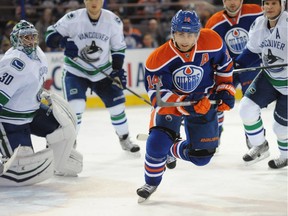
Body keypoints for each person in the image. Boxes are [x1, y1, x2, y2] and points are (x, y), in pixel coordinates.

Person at [136, 10, 235, 202]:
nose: (185, 39)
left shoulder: (212, 41)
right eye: (181, 33)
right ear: (173, 33)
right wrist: (183, 105)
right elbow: (159, 99)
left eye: (190, 34)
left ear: (198, 33)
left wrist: (225, 89)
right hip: (173, 104)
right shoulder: (157, 59)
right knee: (156, 143)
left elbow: (225, 66)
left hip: (204, 102)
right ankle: (151, 182)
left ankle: (171, 149)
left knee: (202, 157)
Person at [45, 0, 140, 153]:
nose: (94, 2)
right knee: (76, 106)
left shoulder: (113, 21)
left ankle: (124, 138)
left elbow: (118, 49)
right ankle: (70, 142)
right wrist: (62, 42)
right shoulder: (73, 18)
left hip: (102, 71)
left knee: (117, 107)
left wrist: (116, 70)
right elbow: (49, 35)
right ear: (85, 1)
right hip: (75, 70)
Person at [0, 20, 83, 186]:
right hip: (12, 121)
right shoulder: (13, 64)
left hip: (33, 111)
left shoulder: (38, 53)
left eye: (33, 36)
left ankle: (59, 161)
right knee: (22, 167)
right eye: (25, 38)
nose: (30, 41)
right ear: (16, 40)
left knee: (63, 130)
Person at [236, 0, 287, 169]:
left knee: (280, 128)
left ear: (283, 5)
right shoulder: (258, 23)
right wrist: (234, 66)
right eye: (267, 3)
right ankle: (260, 145)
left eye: (274, 3)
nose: (269, 7)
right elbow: (250, 51)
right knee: (246, 108)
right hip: (269, 77)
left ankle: (286, 156)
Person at [205, 0, 263, 146]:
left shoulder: (256, 12)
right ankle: (214, 137)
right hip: (227, 69)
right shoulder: (214, 22)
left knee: (250, 104)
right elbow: (208, 49)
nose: (232, 2)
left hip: (251, 66)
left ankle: (254, 141)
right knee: (216, 101)